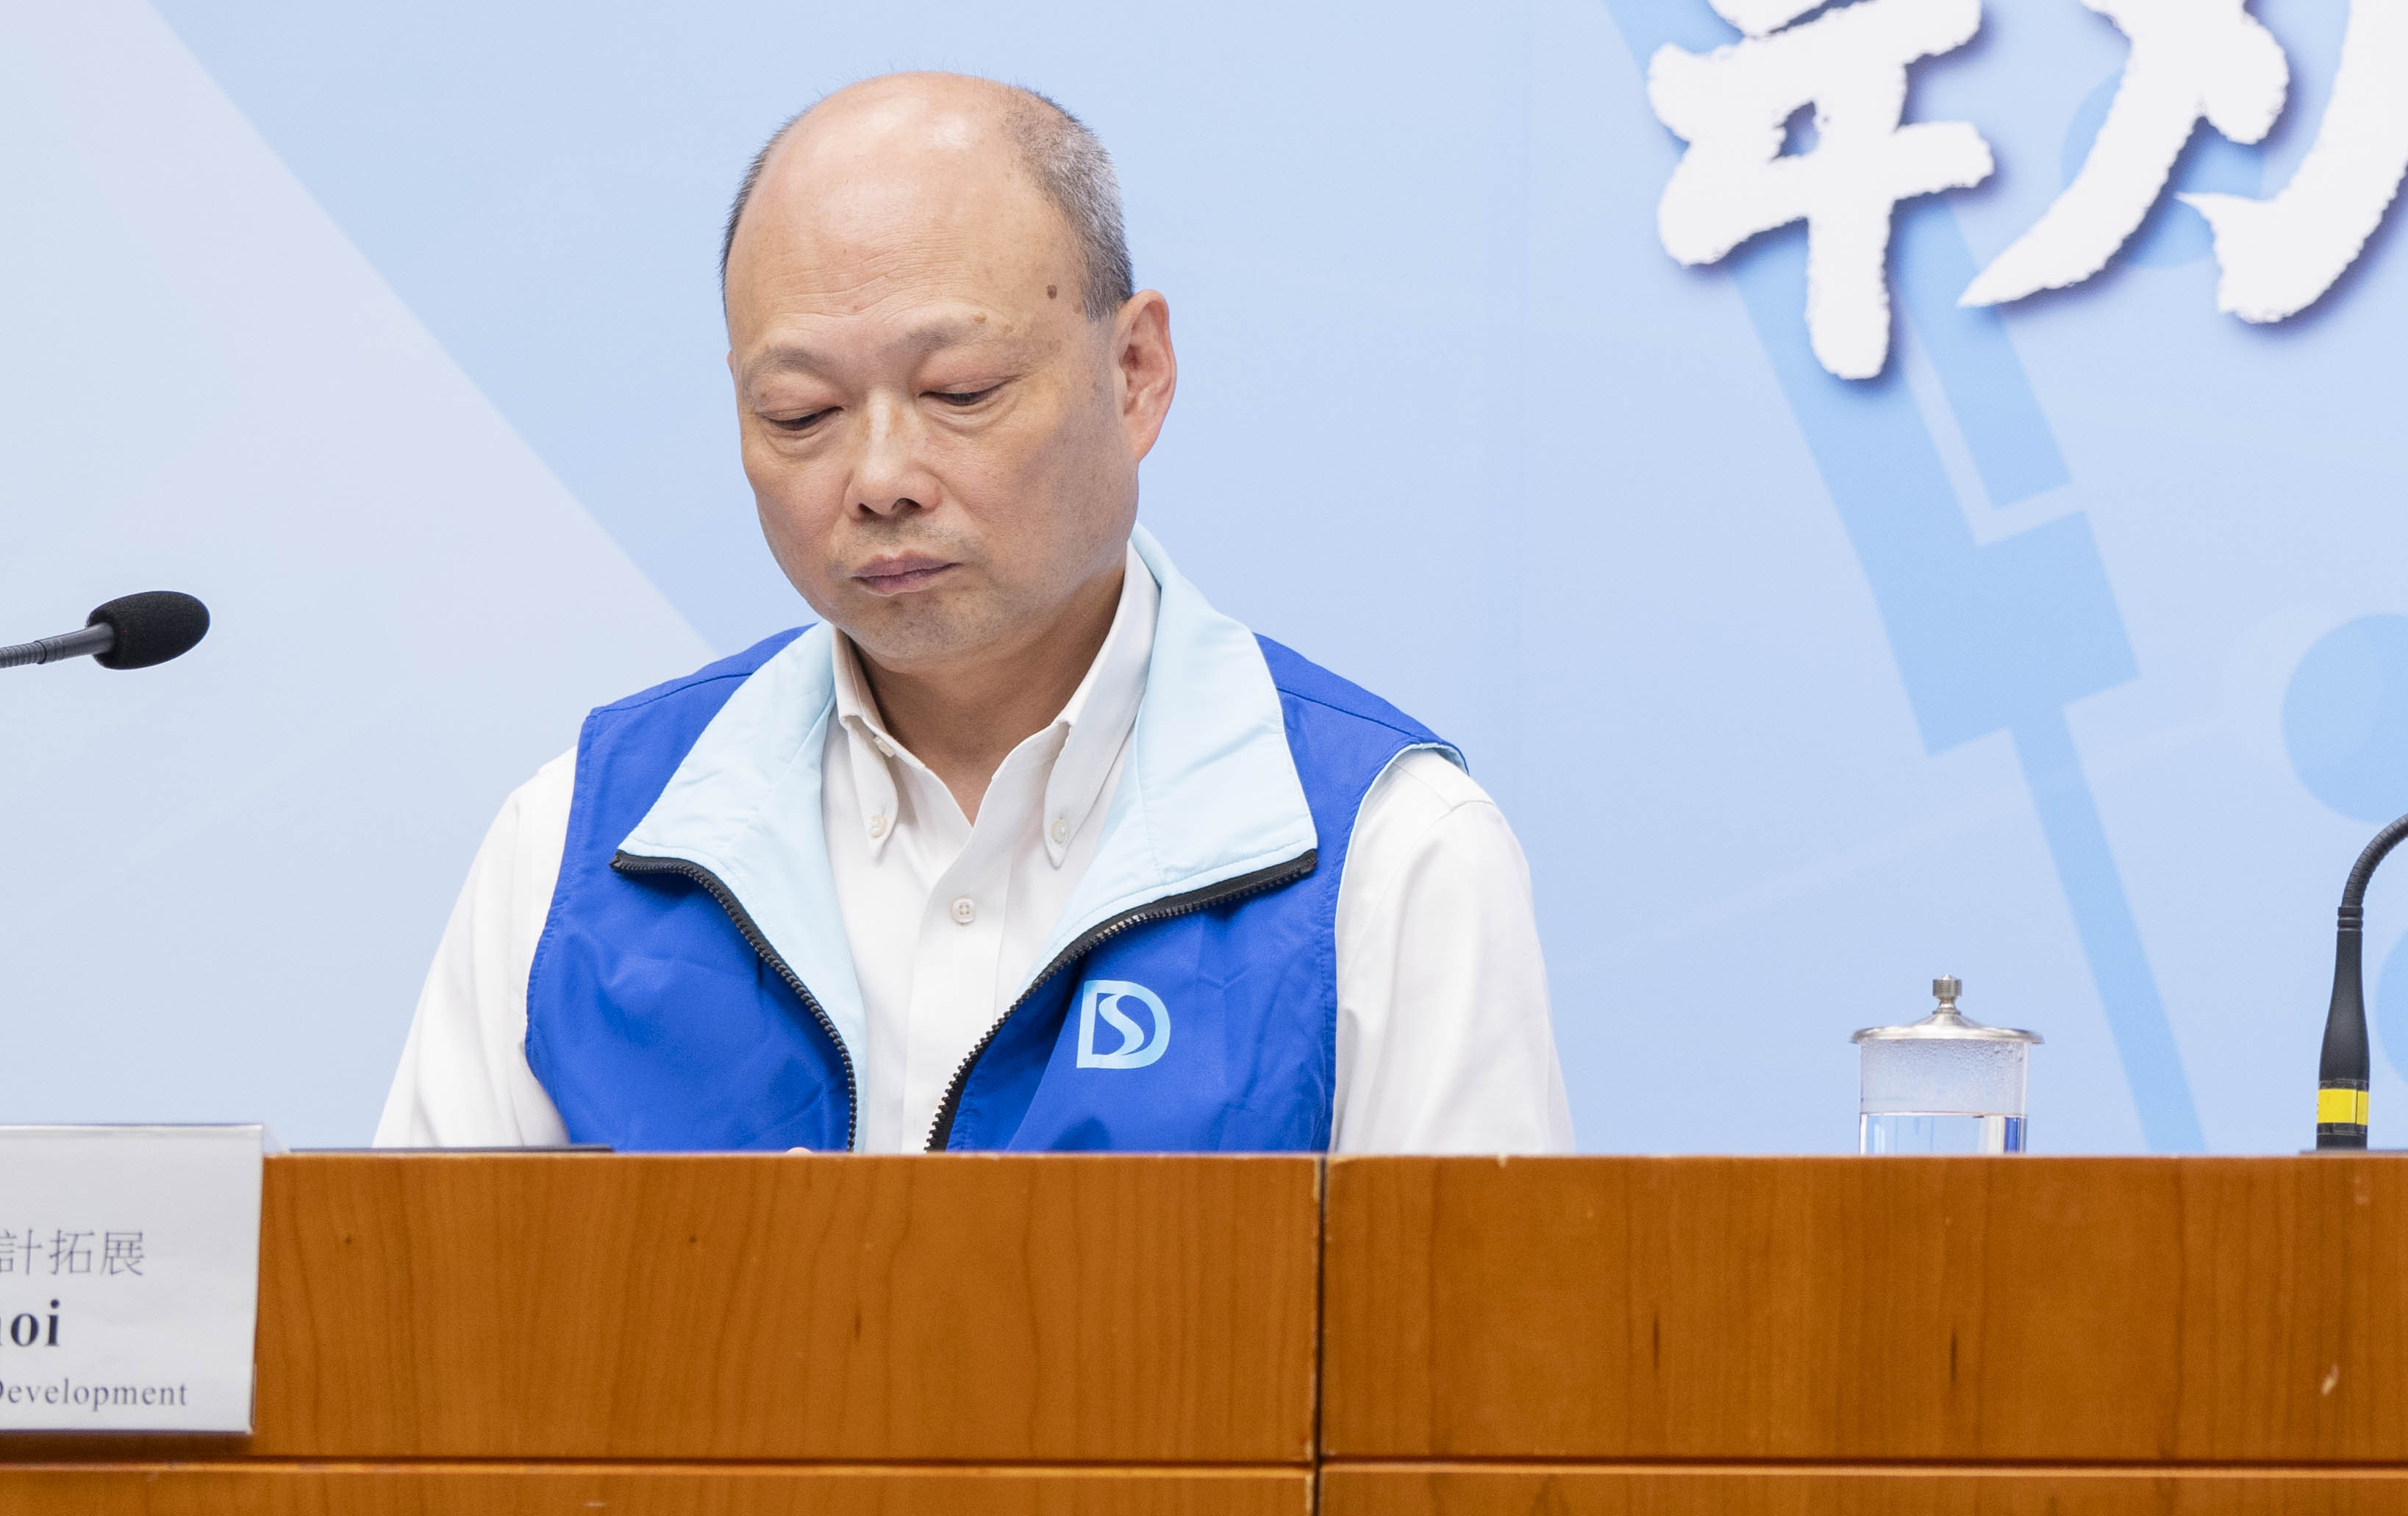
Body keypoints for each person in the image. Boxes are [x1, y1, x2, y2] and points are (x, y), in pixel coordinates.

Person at [379, 76, 1573, 1156]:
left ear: (1137, 372)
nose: (880, 476)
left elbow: (1463, 1375)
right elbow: (419, 1357)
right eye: (801, 413)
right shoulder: (580, 847)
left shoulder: (1386, 851)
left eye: (960, 392)